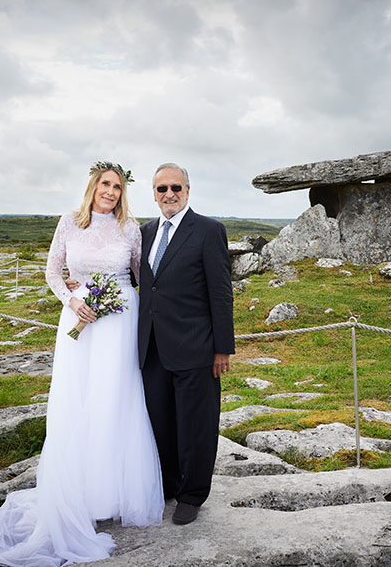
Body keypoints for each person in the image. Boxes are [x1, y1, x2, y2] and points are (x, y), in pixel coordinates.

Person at [0, 162, 164, 567]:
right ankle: (78, 492)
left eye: (117, 187)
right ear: (93, 186)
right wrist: (72, 300)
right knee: (76, 400)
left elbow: (140, 276)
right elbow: (51, 272)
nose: (111, 192)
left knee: (114, 399)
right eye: (105, 184)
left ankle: (110, 494)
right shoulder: (69, 222)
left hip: (119, 320)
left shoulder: (129, 227)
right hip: (78, 318)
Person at [138, 162, 235, 526]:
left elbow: (221, 293)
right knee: (159, 421)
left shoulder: (208, 230)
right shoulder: (145, 232)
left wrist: (222, 348)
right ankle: (168, 484)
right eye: (162, 189)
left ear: (188, 191)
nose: (169, 195)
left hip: (197, 347)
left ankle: (192, 495)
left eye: (176, 187)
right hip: (152, 348)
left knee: (196, 424)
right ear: (154, 194)